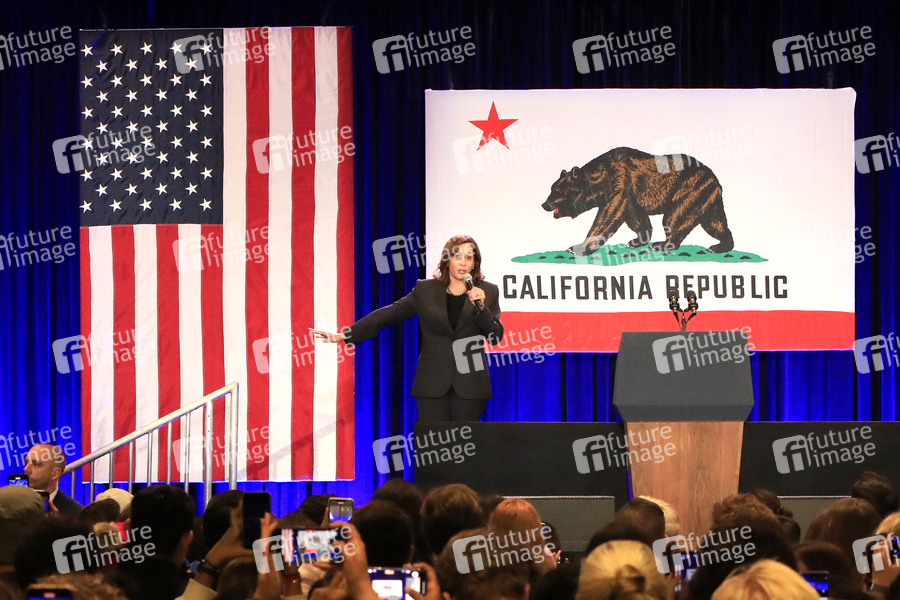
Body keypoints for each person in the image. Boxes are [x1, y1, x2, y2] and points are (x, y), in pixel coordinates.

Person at [313, 235, 504, 422]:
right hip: (432, 384)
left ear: (474, 263)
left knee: (466, 443)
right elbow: (389, 314)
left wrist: (482, 309)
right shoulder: (426, 290)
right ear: (447, 260)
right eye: (457, 256)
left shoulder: (488, 291)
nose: (463, 262)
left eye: (469, 257)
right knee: (432, 443)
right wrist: (345, 334)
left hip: (470, 386)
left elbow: (495, 337)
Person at [23, 443, 84, 517]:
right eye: (26, 463)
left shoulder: (76, 514)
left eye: (36, 464)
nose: (26, 469)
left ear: (55, 473)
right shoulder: (14, 505)